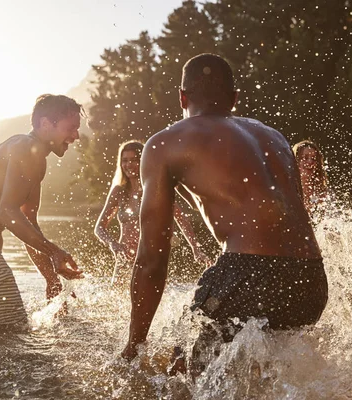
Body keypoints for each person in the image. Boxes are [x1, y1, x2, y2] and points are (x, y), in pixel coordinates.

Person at [121, 54, 328, 370]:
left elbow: (151, 258)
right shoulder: (274, 136)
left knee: (180, 364)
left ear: (182, 96)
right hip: (311, 281)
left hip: (249, 276)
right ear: (234, 99)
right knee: (262, 378)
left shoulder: (165, 143)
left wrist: (134, 346)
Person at [0, 94, 84, 328]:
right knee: (12, 338)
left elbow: (28, 222)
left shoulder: (27, 151)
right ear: (45, 124)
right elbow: (7, 213)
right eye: (70, 128)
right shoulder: (27, 149)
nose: (76, 135)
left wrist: (51, 278)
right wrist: (54, 251)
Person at [94, 140, 211, 286]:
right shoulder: (119, 192)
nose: (128, 165)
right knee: (116, 306)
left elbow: (181, 219)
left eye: (134, 160)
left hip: (151, 259)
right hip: (124, 261)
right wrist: (113, 244)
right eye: (125, 160)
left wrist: (195, 249)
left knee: (147, 304)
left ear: (143, 161)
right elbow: (99, 227)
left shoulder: (157, 188)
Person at [293, 140, 330, 219]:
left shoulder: (322, 192)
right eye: (305, 158)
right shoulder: (288, 189)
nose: (310, 162)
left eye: (313, 159)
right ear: (295, 161)